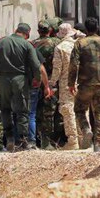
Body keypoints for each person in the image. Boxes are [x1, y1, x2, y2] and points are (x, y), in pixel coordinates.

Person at [0, 23, 43, 151]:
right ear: (27, 34)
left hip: (3, 81)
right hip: (20, 80)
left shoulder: (1, 43)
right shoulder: (27, 44)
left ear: (15, 30)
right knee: (22, 111)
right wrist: (37, 79)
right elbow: (35, 65)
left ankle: (10, 137)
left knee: (5, 109)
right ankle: (22, 141)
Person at [68, 17, 100, 152]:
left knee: (79, 109)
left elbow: (73, 65)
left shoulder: (79, 43)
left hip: (85, 84)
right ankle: (99, 143)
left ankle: (86, 129)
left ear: (86, 29)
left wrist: (71, 83)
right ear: (97, 28)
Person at [50, 23, 81, 150]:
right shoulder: (79, 44)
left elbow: (57, 68)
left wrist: (52, 83)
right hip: (80, 82)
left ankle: (73, 141)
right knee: (81, 109)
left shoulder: (60, 48)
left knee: (67, 110)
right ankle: (83, 137)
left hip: (66, 84)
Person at [32, 19, 61, 149]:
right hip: (52, 80)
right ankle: (49, 141)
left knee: (39, 111)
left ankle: (41, 139)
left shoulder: (33, 45)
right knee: (51, 112)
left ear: (38, 31)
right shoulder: (56, 43)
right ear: (49, 30)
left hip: (37, 81)